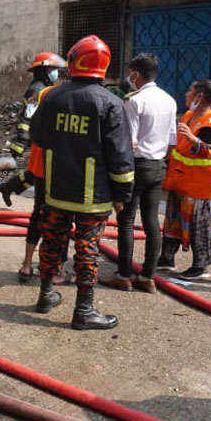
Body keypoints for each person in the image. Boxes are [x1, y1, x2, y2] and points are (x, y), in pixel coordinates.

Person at [29, 35, 134, 330]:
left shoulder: (51, 96)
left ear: (74, 60)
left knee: (52, 242)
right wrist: (123, 192)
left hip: (56, 190)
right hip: (94, 196)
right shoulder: (111, 104)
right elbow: (121, 156)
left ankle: (46, 295)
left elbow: (36, 136)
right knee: (88, 248)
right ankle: (84, 311)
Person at [100, 53, 176, 294]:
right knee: (152, 222)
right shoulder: (169, 101)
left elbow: (127, 143)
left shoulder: (134, 102)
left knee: (126, 221)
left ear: (136, 74)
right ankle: (147, 276)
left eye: (130, 72)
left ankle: (123, 275)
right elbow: (172, 141)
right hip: (157, 165)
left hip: (136, 165)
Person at [0, 54, 68, 283]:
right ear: (46, 71)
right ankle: (53, 268)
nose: (58, 73)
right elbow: (26, 119)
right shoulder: (38, 90)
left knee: (38, 206)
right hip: (50, 157)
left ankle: (27, 264)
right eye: (56, 69)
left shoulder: (46, 90)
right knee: (55, 216)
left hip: (41, 156)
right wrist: (20, 143)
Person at [157, 80, 211, 279]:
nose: (187, 94)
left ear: (200, 97)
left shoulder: (210, 124)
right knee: (173, 221)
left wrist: (193, 139)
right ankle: (167, 257)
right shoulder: (189, 116)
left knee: (198, 225)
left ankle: (201, 265)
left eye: (190, 91)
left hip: (200, 185)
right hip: (182, 180)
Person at [10, 52, 65, 159]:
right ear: (43, 70)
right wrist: (19, 146)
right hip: (37, 144)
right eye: (52, 69)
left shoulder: (45, 87)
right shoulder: (37, 90)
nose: (56, 72)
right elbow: (27, 119)